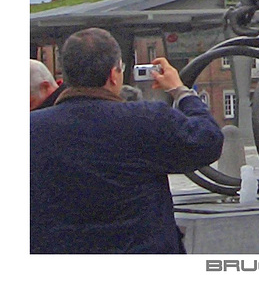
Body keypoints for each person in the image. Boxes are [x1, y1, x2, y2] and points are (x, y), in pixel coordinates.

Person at [30, 27, 224, 253]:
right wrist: (180, 91)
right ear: (114, 75)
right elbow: (208, 141)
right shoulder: (146, 120)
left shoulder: (31, 129)